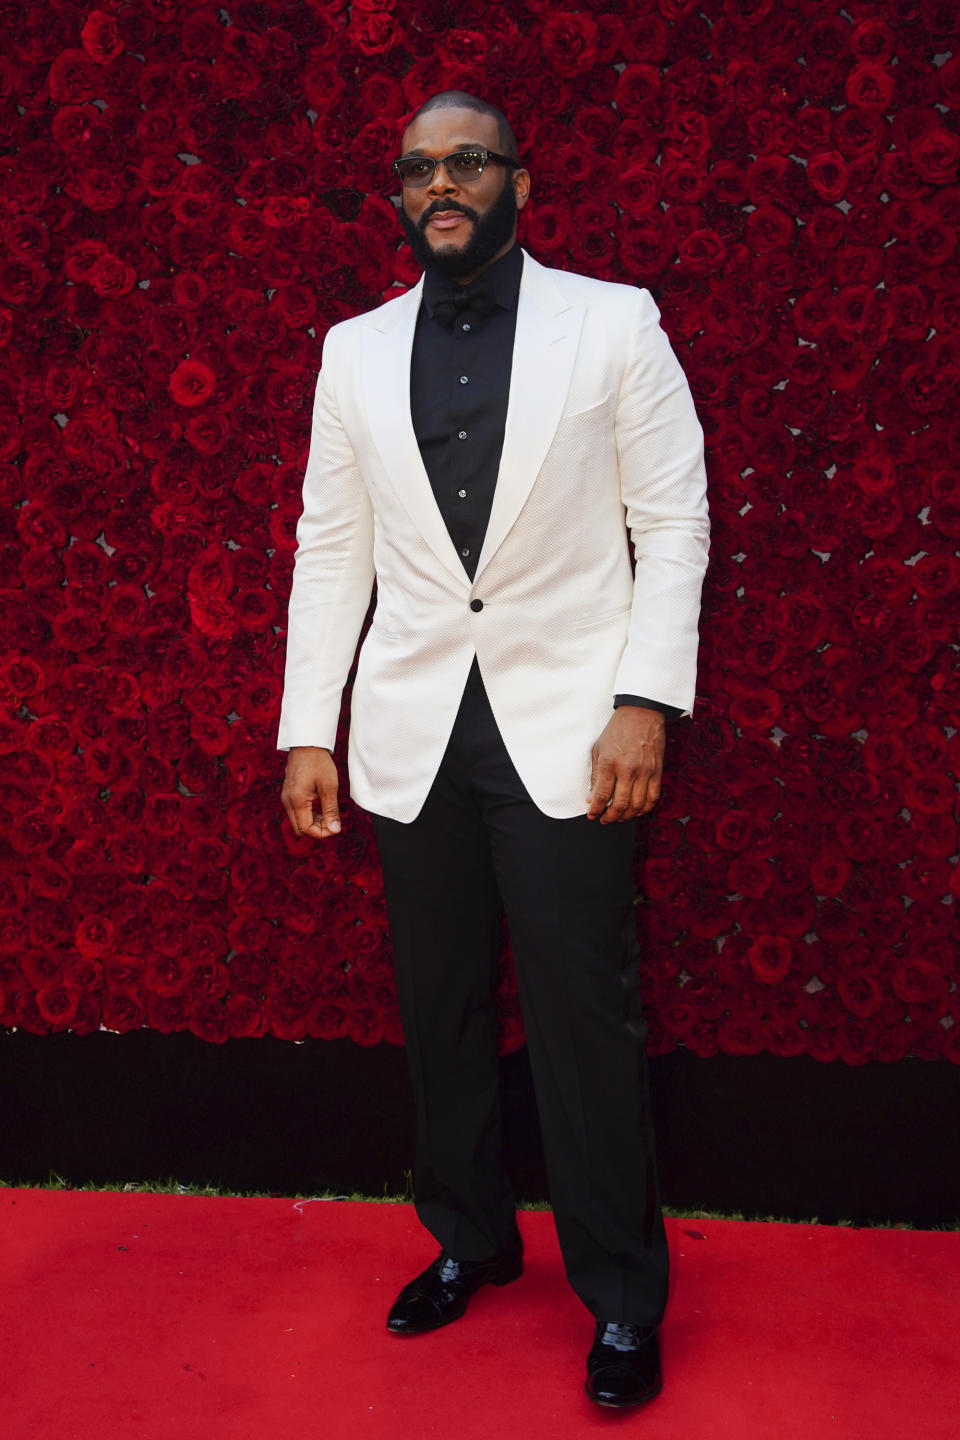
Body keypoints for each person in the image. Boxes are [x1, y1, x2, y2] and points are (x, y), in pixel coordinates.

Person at [278, 90, 709, 1410]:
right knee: (441, 1005)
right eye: (417, 169)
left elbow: (674, 520)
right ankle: (468, 1239)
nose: (441, 183)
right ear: (400, 197)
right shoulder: (353, 351)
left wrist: (645, 701)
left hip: (575, 728)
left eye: (466, 160)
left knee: (586, 1014)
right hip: (412, 734)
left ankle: (624, 1301)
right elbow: (332, 547)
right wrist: (309, 727)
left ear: (519, 180)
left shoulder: (615, 322)